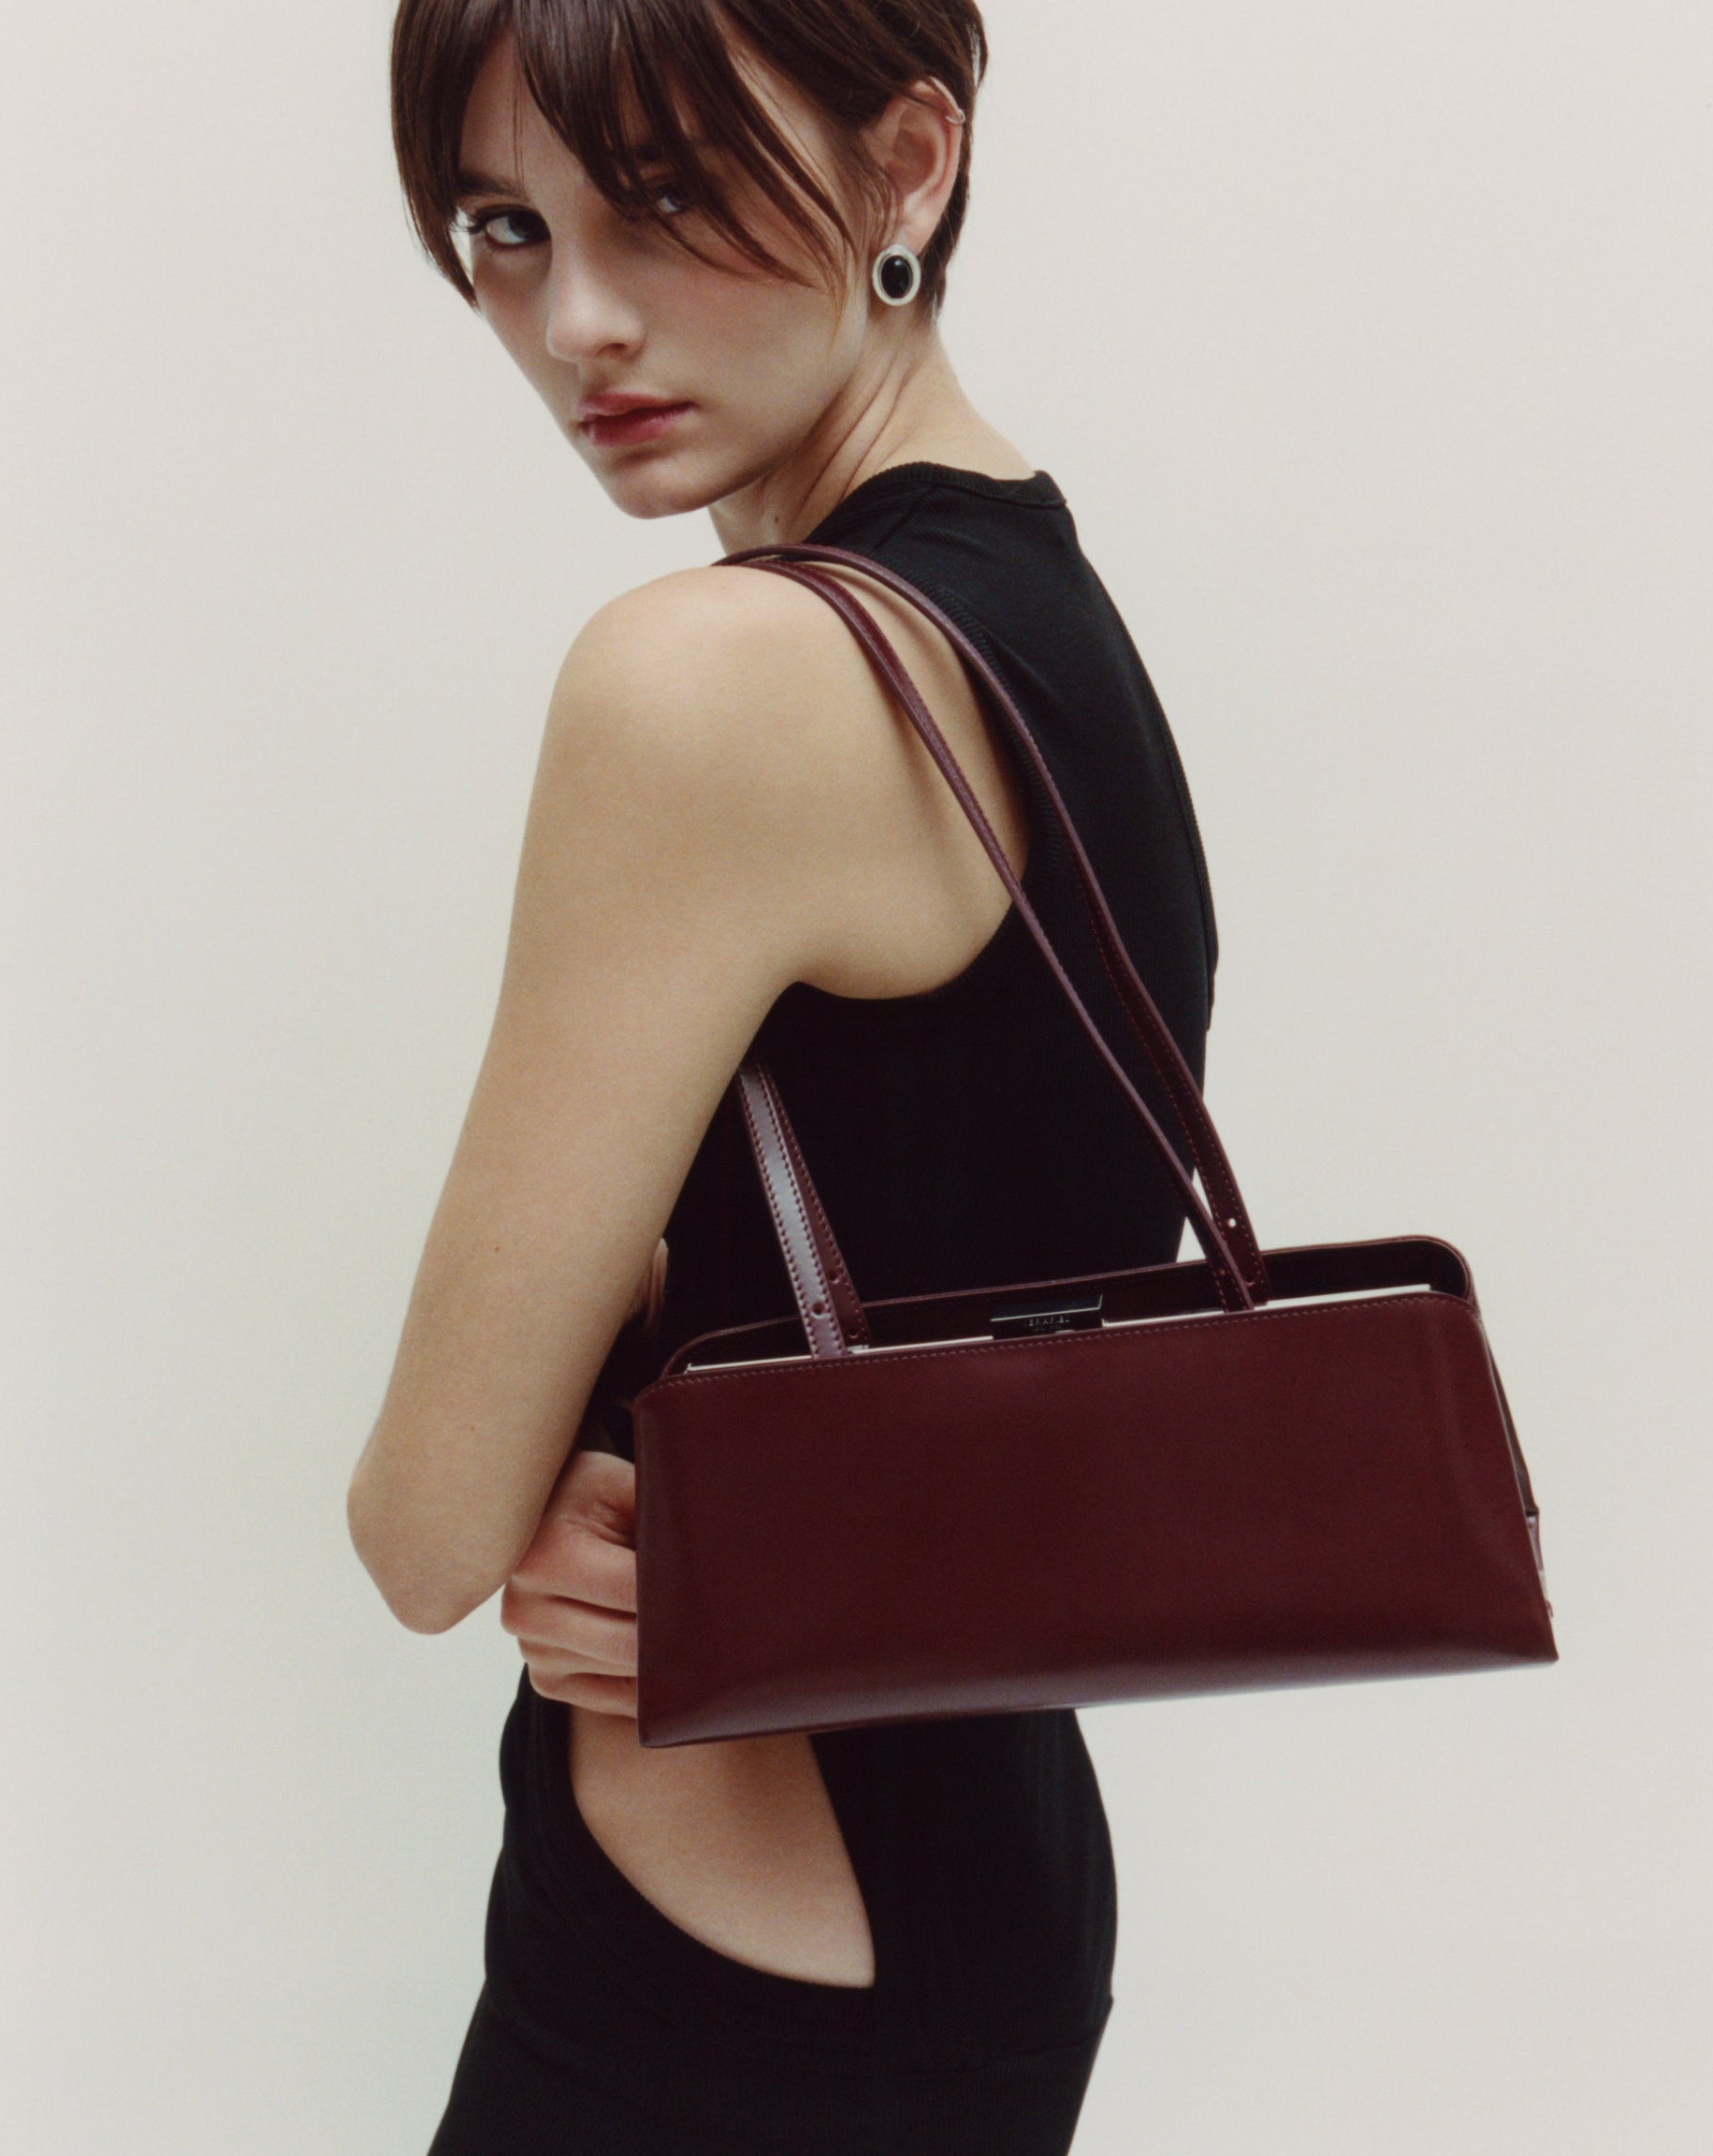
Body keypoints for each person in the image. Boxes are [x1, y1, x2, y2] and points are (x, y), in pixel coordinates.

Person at [350, 3, 1220, 2149]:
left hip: (724, 1976)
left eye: (657, 201)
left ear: (909, 162)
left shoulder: (723, 680)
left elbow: (425, 1526)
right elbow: (986, 1243)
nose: (579, 320)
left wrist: (576, 1426)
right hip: (974, 1874)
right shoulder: (1040, 617)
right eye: (505, 228)